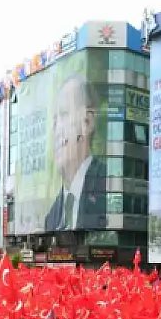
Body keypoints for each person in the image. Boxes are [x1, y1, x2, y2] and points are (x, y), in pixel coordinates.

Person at [44, 75, 106, 231]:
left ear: (88, 122)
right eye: (54, 120)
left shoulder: (109, 186)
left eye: (64, 114)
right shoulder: (51, 217)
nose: (56, 129)